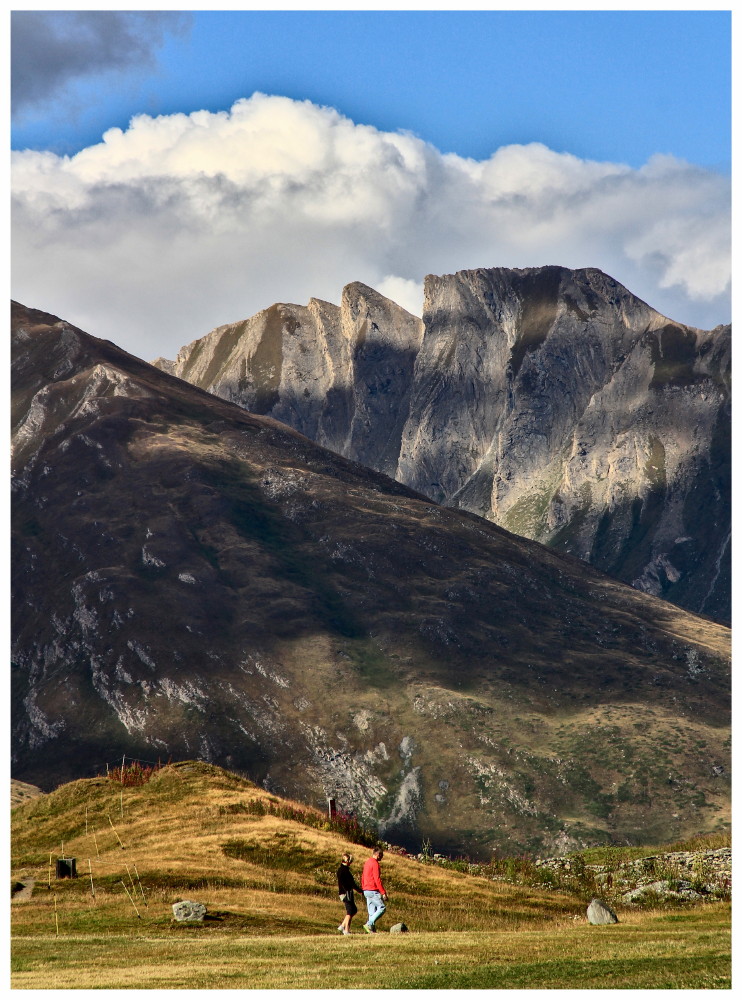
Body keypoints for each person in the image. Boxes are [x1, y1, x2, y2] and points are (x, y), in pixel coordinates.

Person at [360, 846, 388, 933]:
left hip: (366, 889)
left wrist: (363, 887)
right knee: (382, 908)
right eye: (382, 855)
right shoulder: (375, 863)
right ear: (378, 854)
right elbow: (377, 879)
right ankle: (369, 923)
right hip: (372, 889)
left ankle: (372, 931)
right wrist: (383, 892)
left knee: (372, 912)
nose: (382, 857)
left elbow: (363, 876)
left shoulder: (367, 862)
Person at [336, 852, 362, 935]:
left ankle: (343, 925)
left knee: (353, 909)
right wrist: (360, 890)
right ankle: (346, 930)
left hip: (344, 892)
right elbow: (351, 883)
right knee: (350, 911)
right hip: (346, 893)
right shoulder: (345, 871)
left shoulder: (341, 870)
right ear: (347, 861)